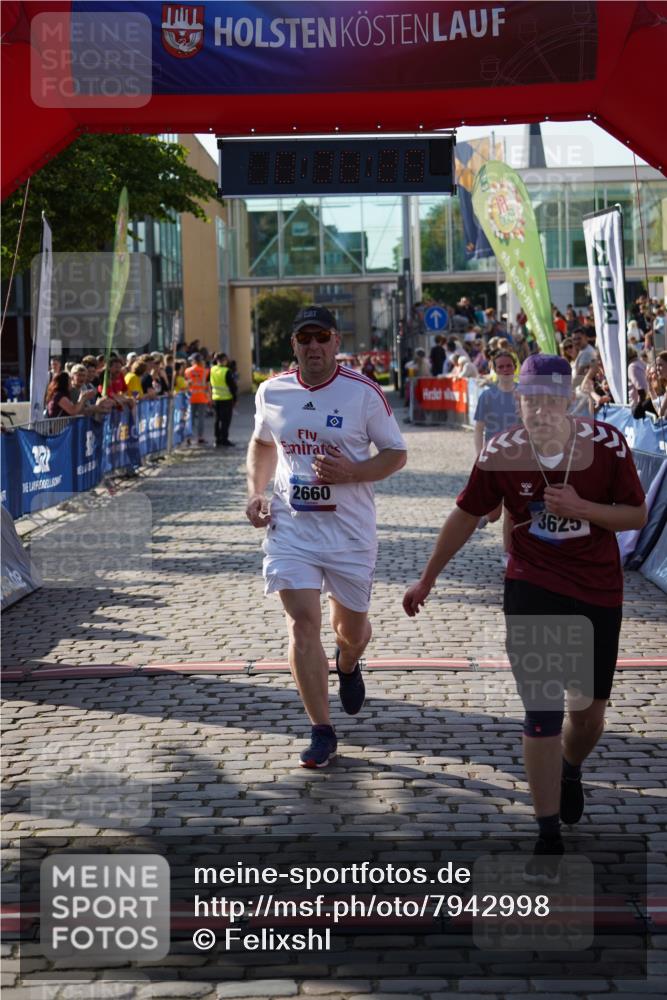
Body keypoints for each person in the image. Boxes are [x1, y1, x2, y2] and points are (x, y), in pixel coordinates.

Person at [403, 354, 646, 881]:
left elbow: (637, 514)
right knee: (542, 712)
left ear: (567, 401)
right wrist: (427, 577)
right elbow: (466, 515)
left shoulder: (607, 445)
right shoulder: (501, 453)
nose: (539, 409)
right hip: (531, 586)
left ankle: (571, 768)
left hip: (598, 591)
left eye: (549, 400)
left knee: (587, 718)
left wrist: (584, 509)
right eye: (529, 400)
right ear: (519, 402)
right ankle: (547, 831)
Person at [246, 305, 407, 768]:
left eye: (322, 338)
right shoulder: (271, 391)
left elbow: (396, 453)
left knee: (350, 631)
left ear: (336, 342)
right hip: (291, 528)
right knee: (302, 623)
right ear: (293, 345)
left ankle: (350, 661)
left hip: (350, 534)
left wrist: (353, 471)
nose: (313, 346)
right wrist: (257, 493)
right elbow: (261, 443)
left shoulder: (362, 393)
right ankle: (321, 729)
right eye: (304, 338)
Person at [210, 352, 237, 447]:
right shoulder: (226, 371)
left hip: (216, 398)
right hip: (226, 399)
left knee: (218, 420)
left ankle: (217, 439)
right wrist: (235, 398)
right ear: (224, 360)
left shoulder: (212, 369)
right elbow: (233, 386)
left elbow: (209, 383)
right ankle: (224, 439)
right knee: (225, 420)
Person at [185, 352, 210, 444]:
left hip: (190, 397)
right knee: (201, 419)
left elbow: (186, 383)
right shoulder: (205, 371)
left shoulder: (187, 371)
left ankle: (188, 437)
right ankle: (200, 437)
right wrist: (209, 397)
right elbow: (208, 386)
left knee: (190, 418)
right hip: (202, 397)